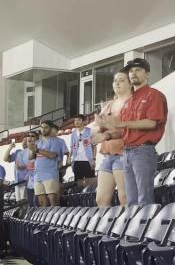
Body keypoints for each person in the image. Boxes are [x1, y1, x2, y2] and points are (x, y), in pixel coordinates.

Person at [105, 58, 168, 206]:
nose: (133, 73)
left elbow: (152, 123)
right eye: (131, 71)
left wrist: (122, 123)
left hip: (143, 151)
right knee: (131, 200)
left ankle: (146, 228)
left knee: (144, 199)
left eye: (138, 70)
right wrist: (108, 135)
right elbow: (126, 129)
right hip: (127, 153)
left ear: (147, 74)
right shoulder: (129, 101)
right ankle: (135, 229)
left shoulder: (154, 95)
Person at [95, 69, 132, 207]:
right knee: (101, 199)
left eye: (121, 80)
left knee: (124, 197)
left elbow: (129, 129)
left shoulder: (132, 103)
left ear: (130, 84)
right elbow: (96, 127)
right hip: (108, 155)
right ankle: (107, 228)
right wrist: (102, 127)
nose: (117, 83)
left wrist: (106, 128)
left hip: (124, 154)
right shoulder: (109, 105)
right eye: (115, 80)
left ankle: (130, 228)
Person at [28, 120, 69, 207]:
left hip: (50, 174)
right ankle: (45, 220)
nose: (43, 129)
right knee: (42, 202)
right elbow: (31, 157)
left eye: (46, 127)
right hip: (37, 175)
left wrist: (37, 150)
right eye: (42, 127)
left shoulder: (56, 141)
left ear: (50, 129)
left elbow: (53, 155)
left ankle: (56, 220)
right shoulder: (38, 142)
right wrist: (32, 149)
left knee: (53, 200)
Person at [67, 114, 111, 189]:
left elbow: (94, 146)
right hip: (77, 161)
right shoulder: (73, 133)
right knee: (78, 183)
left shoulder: (90, 131)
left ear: (83, 121)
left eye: (79, 120)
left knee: (90, 182)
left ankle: (91, 199)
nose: (76, 122)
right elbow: (72, 146)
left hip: (88, 160)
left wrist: (93, 159)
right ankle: (79, 199)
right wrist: (69, 157)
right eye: (75, 120)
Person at [4, 138, 30, 202]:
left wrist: (22, 167)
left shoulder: (31, 152)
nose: (24, 142)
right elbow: (5, 159)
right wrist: (10, 148)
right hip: (17, 183)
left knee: (26, 202)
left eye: (26, 140)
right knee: (19, 203)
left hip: (26, 182)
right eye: (23, 140)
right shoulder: (18, 152)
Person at [24, 132, 38, 207]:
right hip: (30, 183)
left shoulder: (39, 147)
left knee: (36, 203)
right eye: (28, 136)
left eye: (32, 136)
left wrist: (32, 146)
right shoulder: (25, 151)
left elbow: (32, 156)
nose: (30, 137)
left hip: (39, 181)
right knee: (30, 205)